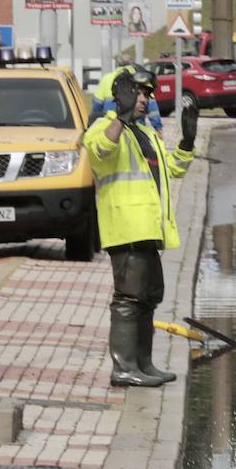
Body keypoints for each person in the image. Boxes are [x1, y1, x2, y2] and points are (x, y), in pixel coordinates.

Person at [83, 70, 197, 387]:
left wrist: (187, 141)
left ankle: (144, 364)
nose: (145, 100)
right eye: (139, 93)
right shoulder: (104, 128)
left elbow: (173, 169)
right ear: (120, 96)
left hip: (147, 230)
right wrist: (118, 117)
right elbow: (101, 151)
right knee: (129, 299)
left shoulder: (143, 134)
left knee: (148, 297)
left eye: (148, 94)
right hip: (126, 230)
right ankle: (124, 368)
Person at [93, 54, 164, 136]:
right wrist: (158, 127)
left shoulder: (106, 78)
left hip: (110, 127)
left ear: (118, 64)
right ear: (132, 64)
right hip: (136, 128)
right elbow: (152, 107)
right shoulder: (139, 79)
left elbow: (97, 106)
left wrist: (97, 122)